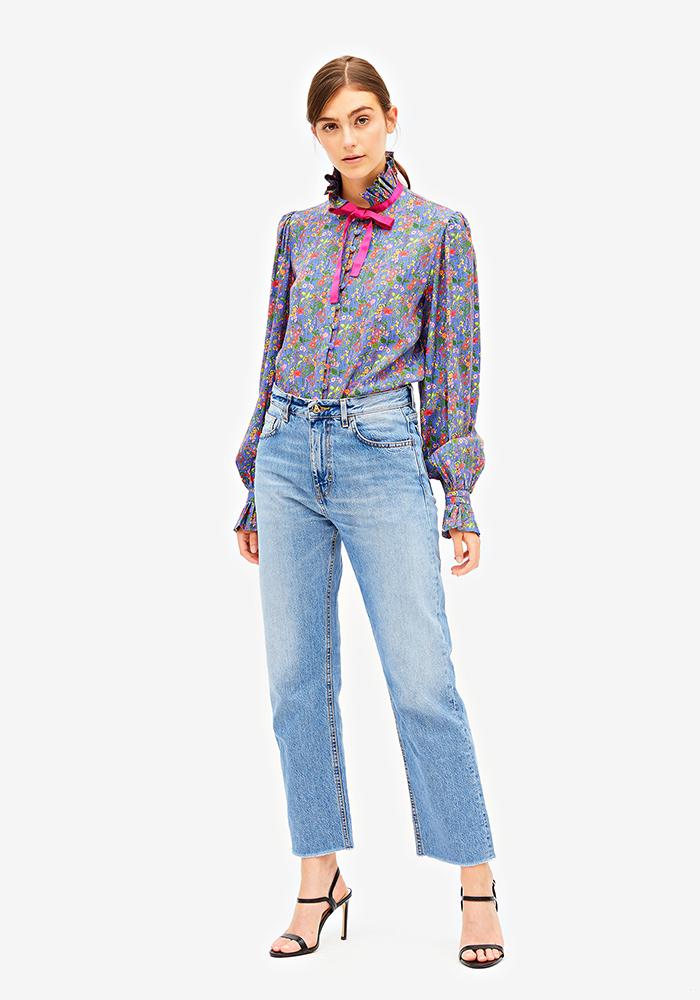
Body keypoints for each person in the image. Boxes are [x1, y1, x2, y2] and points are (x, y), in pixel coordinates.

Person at [234, 55, 505, 969]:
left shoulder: (439, 230)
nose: (347, 139)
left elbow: (455, 366)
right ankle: (319, 877)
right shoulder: (297, 232)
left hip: (382, 455)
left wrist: (458, 493)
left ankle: (477, 881)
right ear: (315, 134)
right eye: (330, 126)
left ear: (391, 118)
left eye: (361, 119)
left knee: (423, 681)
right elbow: (270, 353)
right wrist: (253, 478)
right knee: (294, 683)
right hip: (287, 453)